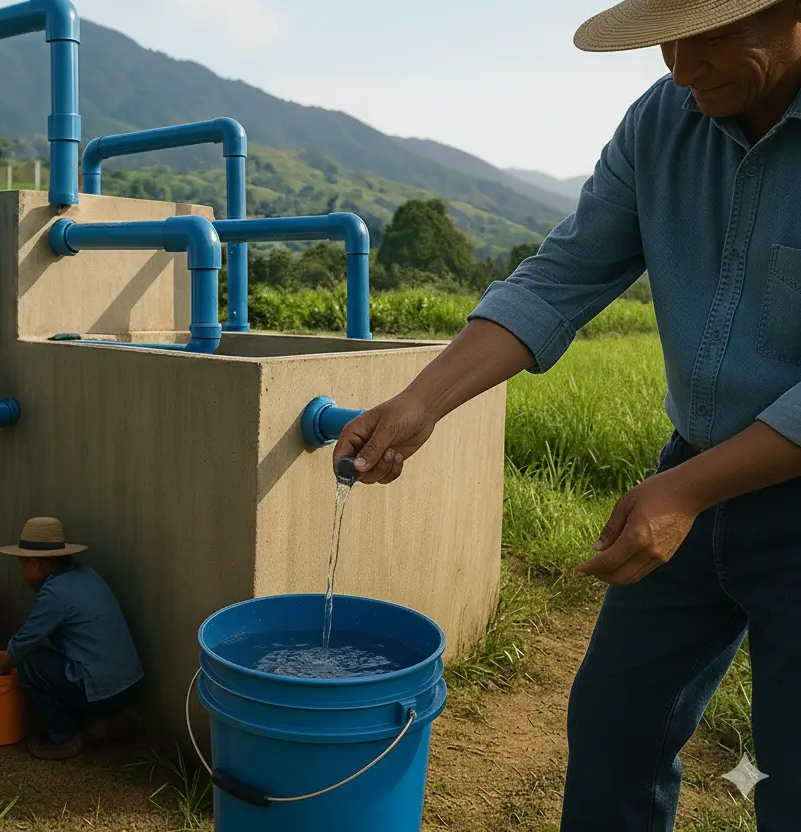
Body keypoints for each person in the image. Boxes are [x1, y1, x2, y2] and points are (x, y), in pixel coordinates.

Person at [334, 1, 801, 828]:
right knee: (616, 730)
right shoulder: (663, 121)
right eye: (667, 40)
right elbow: (561, 277)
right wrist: (419, 403)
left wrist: (686, 492)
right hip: (691, 469)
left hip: (752, 488)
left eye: (711, 35)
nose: (682, 68)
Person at [0, 517, 144, 761]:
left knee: (29, 664)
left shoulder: (54, 594)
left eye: (22, 565)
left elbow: (22, 643)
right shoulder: (87, 574)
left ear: (34, 564)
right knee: (61, 663)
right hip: (130, 683)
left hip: (105, 690)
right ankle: (101, 721)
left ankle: (64, 739)